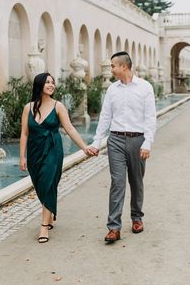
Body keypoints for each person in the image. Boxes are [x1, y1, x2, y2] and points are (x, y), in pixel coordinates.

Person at [20, 72, 95, 243]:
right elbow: (24, 134)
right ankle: (50, 211)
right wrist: (22, 157)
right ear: (39, 85)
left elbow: (69, 129)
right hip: (34, 152)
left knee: (48, 183)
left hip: (53, 150)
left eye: (52, 83)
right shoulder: (28, 107)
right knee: (40, 186)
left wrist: (84, 147)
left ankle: (44, 227)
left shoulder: (58, 106)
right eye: (47, 82)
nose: (51, 85)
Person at [89, 51, 156, 244]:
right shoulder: (112, 90)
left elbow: (150, 118)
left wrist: (148, 142)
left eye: (113, 66)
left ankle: (136, 217)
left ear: (123, 67)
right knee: (117, 182)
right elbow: (105, 117)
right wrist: (96, 141)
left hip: (138, 140)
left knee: (136, 181)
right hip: (116, 140)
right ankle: (114, 228)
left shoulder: (145, 88)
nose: (111, 69)